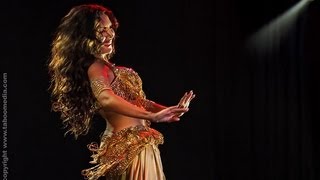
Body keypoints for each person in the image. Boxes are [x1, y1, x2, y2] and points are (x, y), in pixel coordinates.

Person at [48, 4, 195, 180]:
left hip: (138, 144)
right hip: (128, 148)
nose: (109, 34)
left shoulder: (109, 68)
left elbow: (139, 101)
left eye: (110, 28)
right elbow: (105, 98)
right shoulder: (96, 66)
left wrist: (167, 110)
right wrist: (152, 117)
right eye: (101, 30)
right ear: (84, 36)